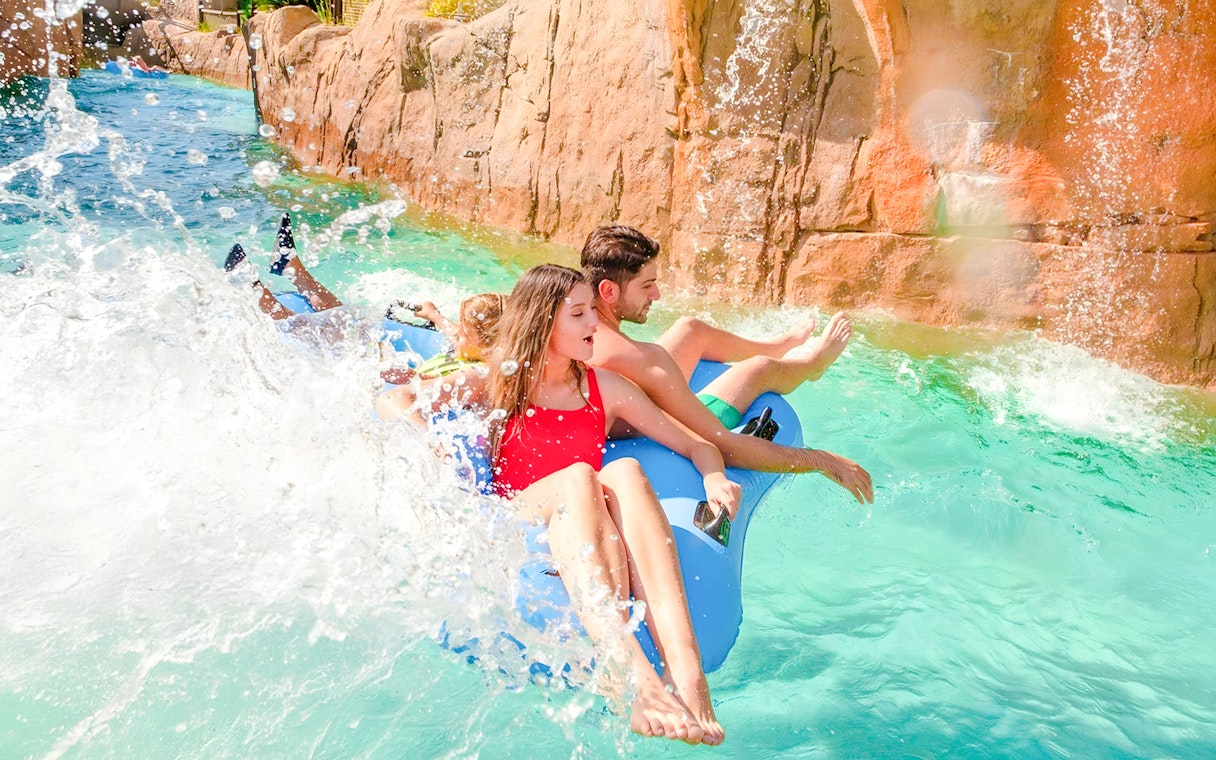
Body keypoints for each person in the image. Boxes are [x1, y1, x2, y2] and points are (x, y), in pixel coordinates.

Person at [408, 264, 740, 745]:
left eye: (592, 311)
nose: (595, 324)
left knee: (622, 472)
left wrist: (714, 477)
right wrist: (432, 449)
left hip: (585, 515)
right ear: (543, 322)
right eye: (579, 314)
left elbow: (696, 443)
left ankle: (689, 678)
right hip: (520, 515)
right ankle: (632, 675)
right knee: (580, 476)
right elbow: (400, 401)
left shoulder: (606, 390)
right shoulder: (498, 382)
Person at [580, 225, 875, 504]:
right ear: (609, 291)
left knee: (690, 329)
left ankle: (778, 345)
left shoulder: (577, 324)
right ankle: (812, 364)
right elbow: (725, 446)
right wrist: (822, 461)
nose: (656, 294)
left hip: (638, 391)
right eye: (647, 285)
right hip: (656, 422)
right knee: (759, 368)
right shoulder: (642, 361)